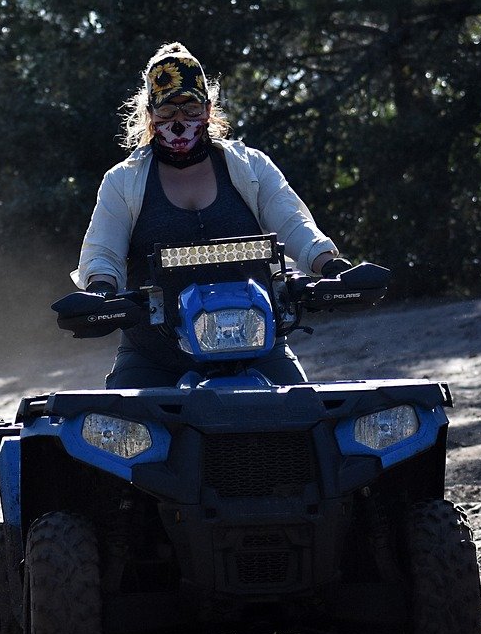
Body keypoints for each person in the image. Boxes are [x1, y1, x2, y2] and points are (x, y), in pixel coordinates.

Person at [75, 42, 352, 389]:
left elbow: (295, 224)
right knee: (114, 434)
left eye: (190, 109)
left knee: (307, 420)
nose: (179, 123)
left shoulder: (251, 167)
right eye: (167, 112)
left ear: (208, 109)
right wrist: (101, 293)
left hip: (258, 347)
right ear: (150, 114)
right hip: (154, 356)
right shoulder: (122, 181)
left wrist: (332, 266)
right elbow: (103, 253)